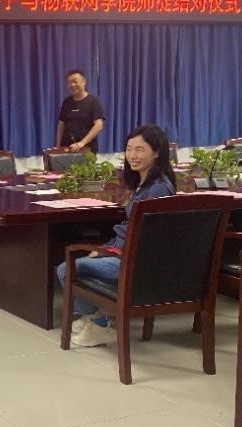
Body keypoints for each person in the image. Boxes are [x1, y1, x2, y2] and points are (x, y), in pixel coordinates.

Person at [56, 124, 177, 347]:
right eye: (129, 149)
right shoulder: (146, 184)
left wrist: (108, 252)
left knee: (66, 269)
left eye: (139, 149)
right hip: (126, 254)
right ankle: (95, 319)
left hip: (135, 263)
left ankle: (101, 323)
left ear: (157, 152)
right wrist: (105, 249)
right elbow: (129, 228)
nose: (132, 155)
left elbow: (143, 237)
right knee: (81, 262)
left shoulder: (158, 190)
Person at [56, 69, 105, 153]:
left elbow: (99, 126)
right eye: (69, 83)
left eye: (75, 81)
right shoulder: (66, 102)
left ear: (84, 82)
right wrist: (58, 146)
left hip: (87, 149)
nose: (72, 85)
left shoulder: (93, 102)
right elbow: (61, 125)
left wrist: (82, 143)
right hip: (67, 148)